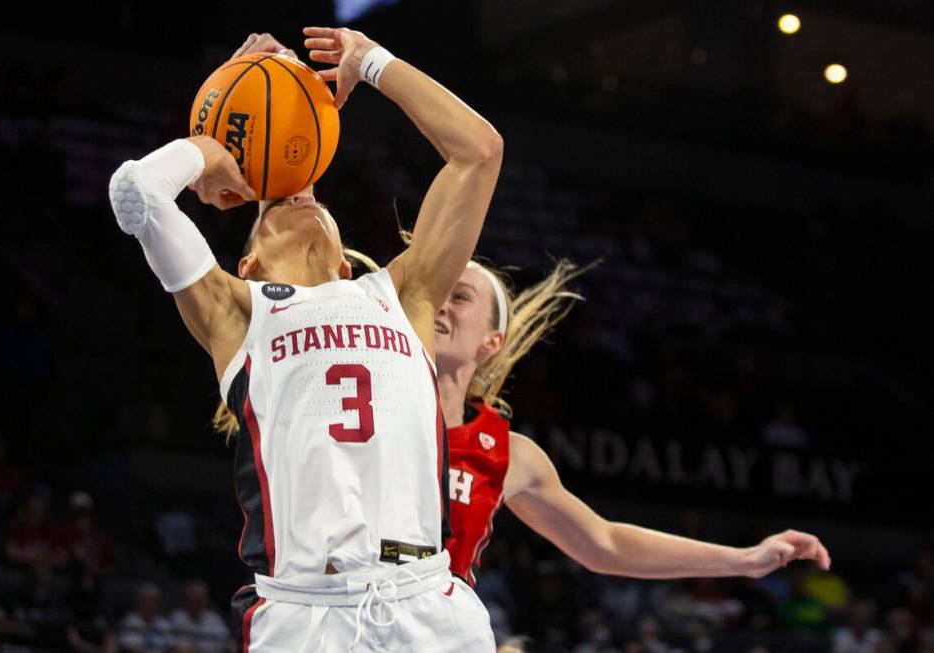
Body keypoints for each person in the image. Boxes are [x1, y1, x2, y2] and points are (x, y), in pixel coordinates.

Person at [109, 26, 501, 652]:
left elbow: (480, 151)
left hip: (429, 604)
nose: (298, 192)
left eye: (310, 189)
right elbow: (136, 194)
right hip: (306, 617)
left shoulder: (402, 297)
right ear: (248, 266)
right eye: (274, 204)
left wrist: (373, 63)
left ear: (348, 264)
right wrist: (213, 144)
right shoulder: (239, 316)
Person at [433, 260, 832, 587]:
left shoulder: (510, 455)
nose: (440, 305)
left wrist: (744, 559)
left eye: (461, 296)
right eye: (435, 294)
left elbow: (605, 543)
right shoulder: (372, 408)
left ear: (491, 341)